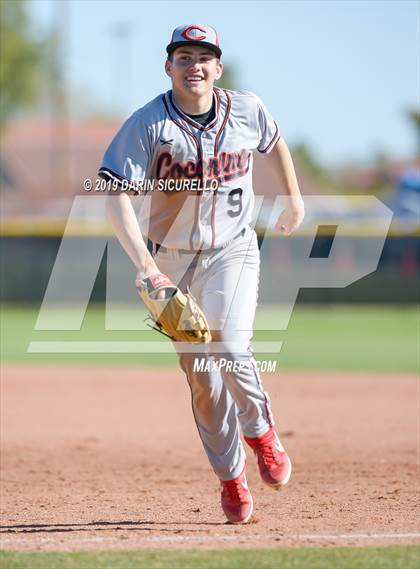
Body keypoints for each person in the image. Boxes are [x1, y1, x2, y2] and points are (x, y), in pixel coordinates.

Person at [99, 24, 305, 524]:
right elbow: (113, 191)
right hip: (170, 260)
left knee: (230, 347)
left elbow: (272, 141)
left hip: (232, 251)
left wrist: (293, 196)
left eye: (204, 57)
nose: (194, 65)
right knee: (204, 379)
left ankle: (261, 434)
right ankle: (231, 478)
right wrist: (147, 269)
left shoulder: (247, 109)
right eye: (183, 56)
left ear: (218, 67)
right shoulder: (149, 124)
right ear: (168, 67)